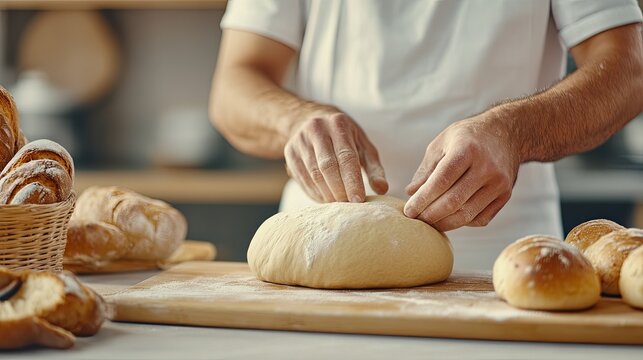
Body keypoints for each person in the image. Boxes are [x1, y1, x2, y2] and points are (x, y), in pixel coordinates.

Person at [209, 0, 643, 269]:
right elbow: (234, 85)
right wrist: (294, 119)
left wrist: (513, 131)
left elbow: (628, 68)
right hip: (317, 248)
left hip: (504, 264)